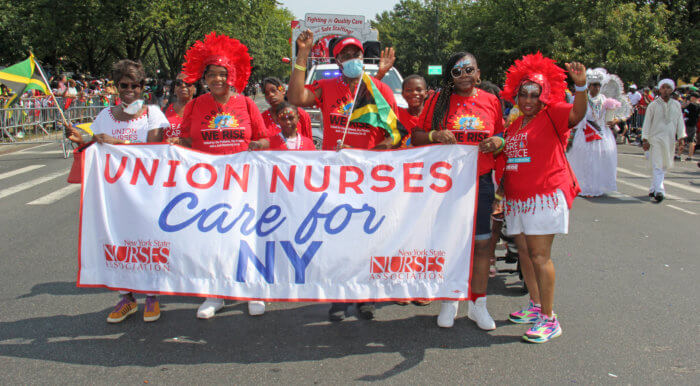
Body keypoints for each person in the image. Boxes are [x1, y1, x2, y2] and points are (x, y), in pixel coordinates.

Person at [288, 31, 400, 321]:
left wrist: (367, 155)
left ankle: (365, 295)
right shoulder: (326, 87)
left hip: (370, 177)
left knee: (368, 236)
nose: (352, 60)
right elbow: (296, 97)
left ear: (363, 57)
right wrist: (303, 54)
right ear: (337, 60)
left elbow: (395, 135)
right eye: (346, 56)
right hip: (336, 178)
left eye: (356, 55)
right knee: (337, 235)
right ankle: (339, 295)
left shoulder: (379, 90)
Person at [166, 32, 270, 318]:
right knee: (212, 238)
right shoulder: (195, 106)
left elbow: (265, 140)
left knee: (246, 235)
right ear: (204, 78)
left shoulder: (247, 105)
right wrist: (176, 146)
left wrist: (254, 145)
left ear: (232, 75)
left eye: (222, 74)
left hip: (244, 183)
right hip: (207, 184)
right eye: (211, 74)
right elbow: (187, 141)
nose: (217, 79)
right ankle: (216, 293)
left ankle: (253, 290)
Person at [71, 59, 171, 322]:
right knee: (118, 243)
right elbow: (97, 145)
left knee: (147, 242)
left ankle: (151, 295)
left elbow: (152, 151)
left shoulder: (153, 114)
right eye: (124, 85)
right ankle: (126, 297)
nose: (130, 90)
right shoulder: (105, 116)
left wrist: (120, 142)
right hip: (114, 194)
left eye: (135, 85)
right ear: (116, 87)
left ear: (142, 87)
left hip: (147, 192)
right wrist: (82, 139)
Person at [497, 52, 587, 343]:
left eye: (535, 94)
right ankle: (536, 306)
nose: (528, 100)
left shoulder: (552, 114)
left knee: (539, 255)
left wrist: (581, 87)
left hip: (544, 197)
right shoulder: (515, 125)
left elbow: (577, 115)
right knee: (523, 253)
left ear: (544, 95)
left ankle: (550, 319)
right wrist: (501, 193)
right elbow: (509, 161)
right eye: (523, 94)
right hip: (517, 199)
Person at [411, 52, 504, 330]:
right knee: (450, 244)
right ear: (450, 76)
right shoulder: (438, 102)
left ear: (478, 72)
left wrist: (497, 142)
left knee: (481, 244)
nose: (463, 75)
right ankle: (450, 300)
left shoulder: (491, 101)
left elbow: (503, 137)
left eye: (468, 69)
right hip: (446, 185)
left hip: (481, 182)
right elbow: (416, 136)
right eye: (456, 71)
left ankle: (478, 305)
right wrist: (434, 135)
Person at [567, 68, 620, 197]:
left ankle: (596, 186)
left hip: (601, 134)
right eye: (594, 85)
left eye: (598, 85)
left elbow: (610, 116)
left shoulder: (604, 100)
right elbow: (577, 116)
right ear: (589, 86)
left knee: (598, 161)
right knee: (584, 161)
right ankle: (583, 186)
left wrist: (613, 121)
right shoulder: (581, 99)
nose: (596, 88)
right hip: (584, 134)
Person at [641, 79, 686, 202]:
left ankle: (653, 189)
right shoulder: (653, 105)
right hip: (655, 139)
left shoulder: (676, 104)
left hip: (669, 139)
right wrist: (645, 139)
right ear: (659, 89)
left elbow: (680, 122)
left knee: (663, 165)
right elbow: (647, 123)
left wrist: (681, 137)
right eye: (663, 87)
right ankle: (660, 190)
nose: (666, 90)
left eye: (668, 88)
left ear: (672, 90)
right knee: (657, 165)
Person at [162, 72, 197, 141]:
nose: (183, 85)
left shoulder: (203, 111)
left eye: (188, 82)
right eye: (179, 83)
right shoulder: (163, 111)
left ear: (195, 89)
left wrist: (182, 142)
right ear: (174, 89)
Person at [680, 92, 699, 160]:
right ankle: (690, 156)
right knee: (691, 141)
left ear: (693, 97)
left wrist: (686, 102)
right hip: (694, 124)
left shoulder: (690, 105)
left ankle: (678, 155)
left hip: (687, 124)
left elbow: (682, 107)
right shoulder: (698, 105)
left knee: (682, 139)